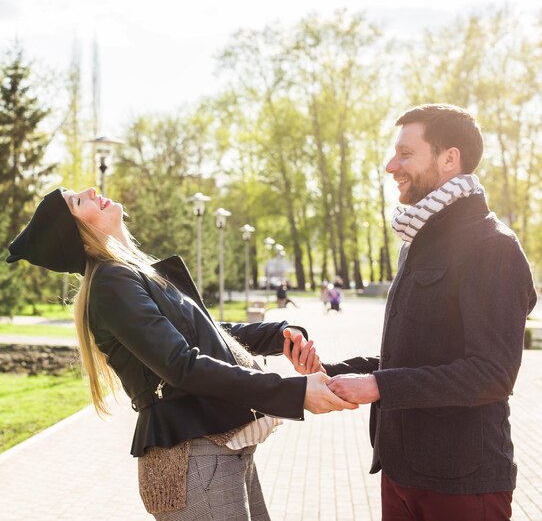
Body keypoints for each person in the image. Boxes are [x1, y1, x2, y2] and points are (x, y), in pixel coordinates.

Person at [6, 187, 357, 521]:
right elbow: (182, 365)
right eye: (79, 201)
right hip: (192, 460)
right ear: (77, 236)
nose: (93, 193)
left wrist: (279, 336)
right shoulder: (111, 282)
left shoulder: (134, 274)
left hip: (214, 451)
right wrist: (295, 393)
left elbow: (206, 333)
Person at [293, 104, 537, 521]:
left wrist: (379, 386)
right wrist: (332, 370)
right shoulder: (415, 241)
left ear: (449, 158)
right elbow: (413, 358)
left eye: (405, 154)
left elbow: (492, 374)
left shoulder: (492, 245)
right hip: (402, 473)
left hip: (462, 483)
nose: (391, 166)